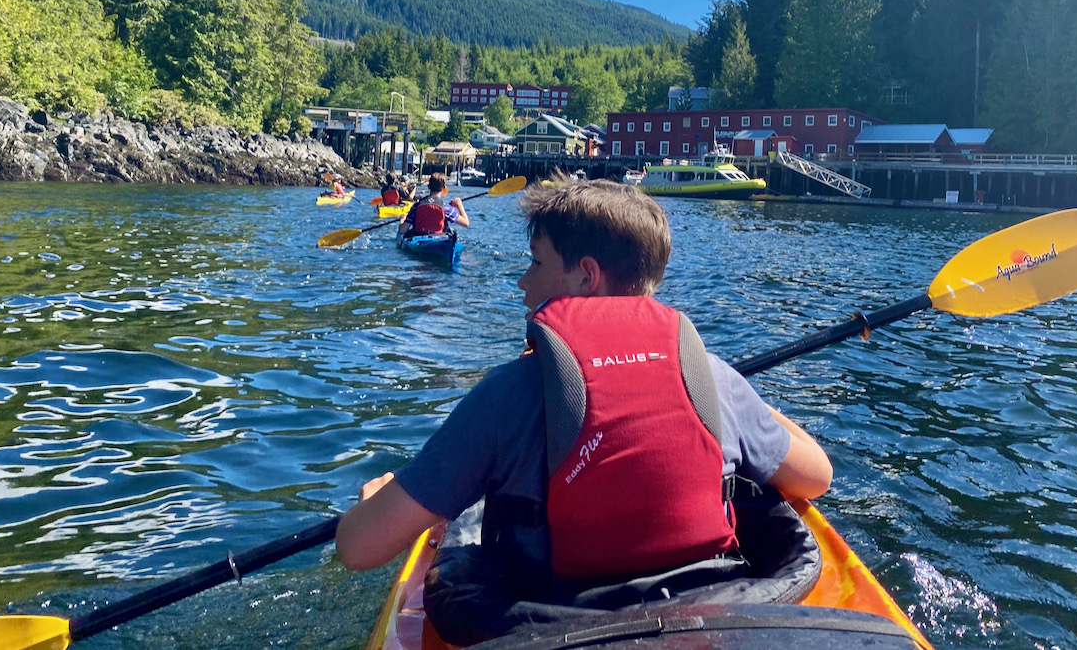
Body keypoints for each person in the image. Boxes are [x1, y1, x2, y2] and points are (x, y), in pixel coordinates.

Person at [338, 180, 832, 643]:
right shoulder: (715, 380)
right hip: (706, 618)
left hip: (548, 624)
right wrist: (743, 396)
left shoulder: (506, 393)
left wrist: (374, 503)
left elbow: (359, 549)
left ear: (586, 276)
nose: (520, 282)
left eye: (534, 263)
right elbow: (817, 476)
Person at [397, 172, 469, 238]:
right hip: (439, 238)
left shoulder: (416, 206)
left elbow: (402, 230)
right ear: (444, 188)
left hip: (419, 237)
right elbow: (466, 223)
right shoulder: (446, 208)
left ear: (429, 186)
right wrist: (459, 205)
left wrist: (402, 219)